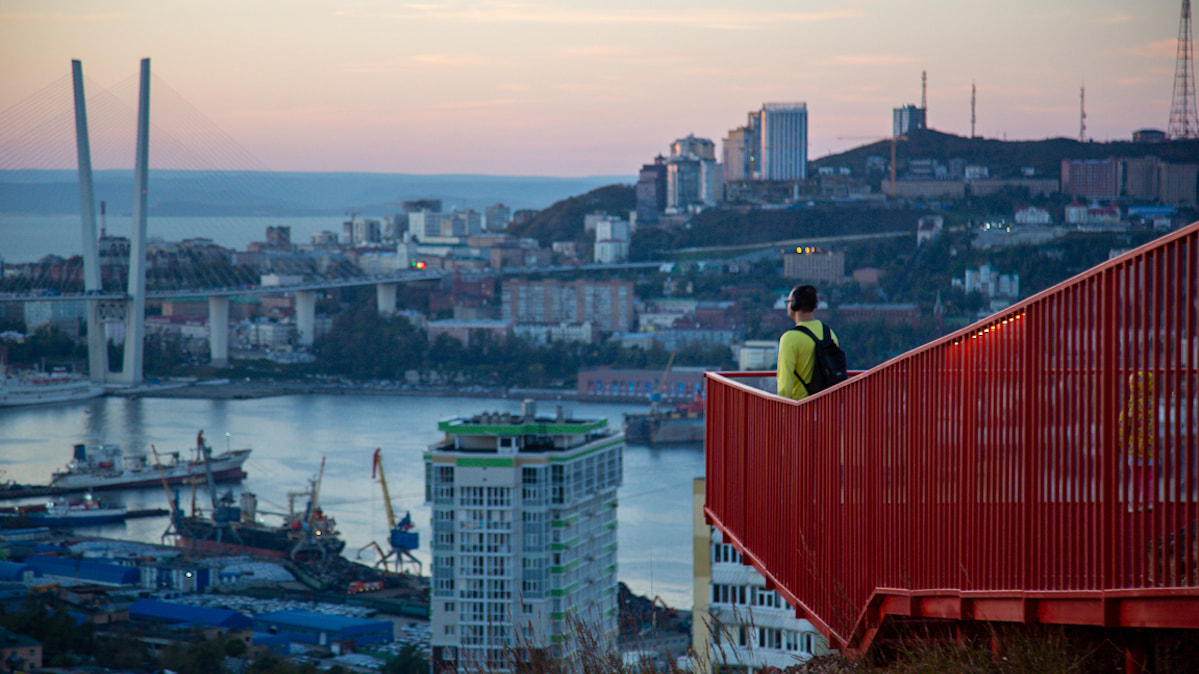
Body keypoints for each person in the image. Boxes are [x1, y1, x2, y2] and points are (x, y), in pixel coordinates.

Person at [777, 285, 839, 401]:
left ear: (795, 304)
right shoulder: (829, 334)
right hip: (827, 408)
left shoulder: (789, 338)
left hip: (801, 407)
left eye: (788, 301)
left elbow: (785, 387)